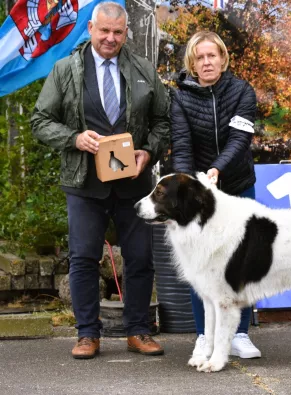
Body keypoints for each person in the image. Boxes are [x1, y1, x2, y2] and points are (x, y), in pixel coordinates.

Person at [31, 2, 170, 359]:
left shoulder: (142, 69)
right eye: (104, 31)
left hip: (134, 185)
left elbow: (163, 121)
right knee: (83, 259)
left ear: (126, 33)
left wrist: (149, 152)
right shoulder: (64, 69)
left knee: (140, 259)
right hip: (84, 184)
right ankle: (87, 335)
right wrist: (74, 139)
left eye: (117, 32)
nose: (110, 38)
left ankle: (138, 331)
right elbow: (40, 121)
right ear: (90, 28)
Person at [170, 31, 261, 359]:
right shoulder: (180, 98)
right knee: (201, 262)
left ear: (223, 59)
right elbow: (181, 146)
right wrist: (187, 184)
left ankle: (239, 334)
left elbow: (240, 140)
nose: (207, 62)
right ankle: (203, 335)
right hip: (199, 193)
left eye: (212, 55)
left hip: (237, 185)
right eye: (200, 57)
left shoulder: (242, 91)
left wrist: (217, 170)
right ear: (192, 64)